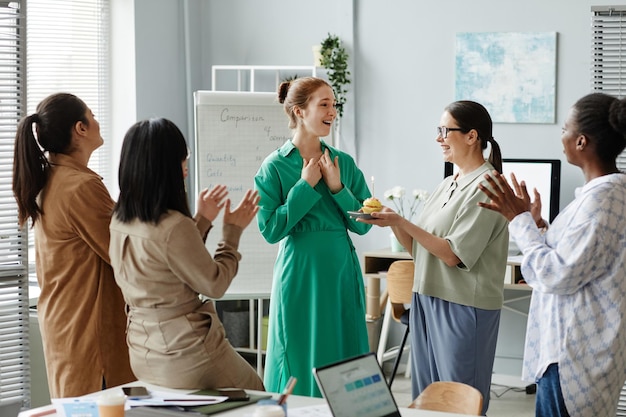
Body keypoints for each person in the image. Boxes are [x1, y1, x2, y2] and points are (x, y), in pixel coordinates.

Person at [478, 92, 626, 417]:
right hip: (580, 355)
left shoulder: (599, 203)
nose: (561, 137)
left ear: (581, 141)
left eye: (564, 129)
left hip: (572, 362)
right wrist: (539, 227)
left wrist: (518, 221)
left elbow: (554, 275)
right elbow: (580, 261)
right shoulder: (605, 197)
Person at [360, 100, 509, 415]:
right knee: (428, 401)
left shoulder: (490, 185)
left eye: (445, 130)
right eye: (438, 130)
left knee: (458, 400)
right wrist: (393, 220)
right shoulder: (448, 183)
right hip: (426, 298)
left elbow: (453, 254)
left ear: (472, 136)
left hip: (465, 306)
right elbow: (420, 249)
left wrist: (402, 222)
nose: (438, 137)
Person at [109, 117, 264, 391]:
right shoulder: (173, 225)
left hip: (142, 348)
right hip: (187, 351)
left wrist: (202, 220)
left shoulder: (120, 220)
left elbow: (169, 260)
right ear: (167, 167)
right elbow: (214, 284)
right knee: (257, 394)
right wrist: (232, 232)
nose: (186, 169)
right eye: (183, 160)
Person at [254, 77, 372, 397]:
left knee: (343, 350)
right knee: (297, 350)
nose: (332, 111)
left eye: (333, 104)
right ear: (299, 111)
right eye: (324, 104)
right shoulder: (274, 167)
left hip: (340, 273)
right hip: (300, 274)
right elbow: (270, 230)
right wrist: (304, 187)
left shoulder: (343, 163)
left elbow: (364, 223)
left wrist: (337, 188)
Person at [11, 93, 135, 397]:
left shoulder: (54, 178)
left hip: (67, 325)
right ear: (80, 129)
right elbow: (123, 253)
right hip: (89, 332)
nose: (97, 121)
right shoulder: (81, 186)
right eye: (91, 116)